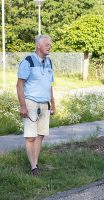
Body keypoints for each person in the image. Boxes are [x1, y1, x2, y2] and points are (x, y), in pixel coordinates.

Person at [16, 35, 55, 176]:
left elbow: (50, 85)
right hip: (30, 102)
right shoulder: (28, 61)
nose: (49, 46)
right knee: (30, 137)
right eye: (47, 44)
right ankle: (33, 167)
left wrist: (53, 102)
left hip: (45, 103)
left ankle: (35, 163)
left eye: (50, 44)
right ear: (38, 46)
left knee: (41, 135)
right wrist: (22, 105)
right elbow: (19, 85)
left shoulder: (49, 62)